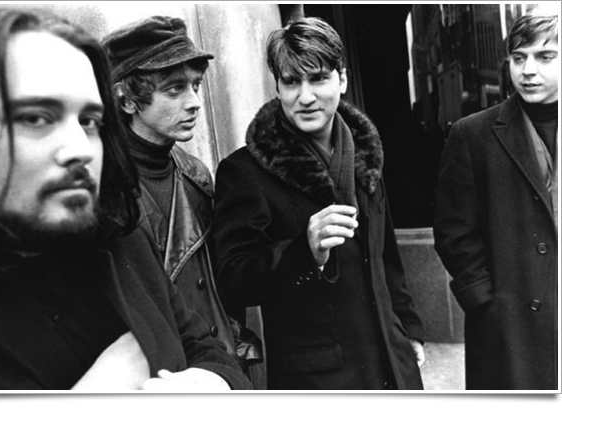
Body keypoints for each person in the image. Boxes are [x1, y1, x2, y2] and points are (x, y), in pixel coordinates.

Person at [0, 4, 251, 391]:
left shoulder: (121, 237)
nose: (80, 149)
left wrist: (210, 382)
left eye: (89, 121)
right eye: (36, 118)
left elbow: (202, 343)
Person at [209, 17, 425, 390]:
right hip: (316, 378)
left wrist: (409, 329)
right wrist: (303, 251)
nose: (305, 97)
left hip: (392, 362)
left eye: (319, 78)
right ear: (277, 87)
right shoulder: (245, 172)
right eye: (292, 82)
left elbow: (386, 256)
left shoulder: (365, 154)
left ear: (342, 79)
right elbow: (232, 280)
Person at [100, 16, 262, 375]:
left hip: (214, 368)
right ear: (127, 100)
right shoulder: (103, 187)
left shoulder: (195, 174)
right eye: (175, 89)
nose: (194, 102)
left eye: (196, 85)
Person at [433, 11, 559, 390]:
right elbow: (453, 232)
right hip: (510, 326)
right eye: (519, 58)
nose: (528, 70)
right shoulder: (472, 134)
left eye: (545, 56)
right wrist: (486, 302)